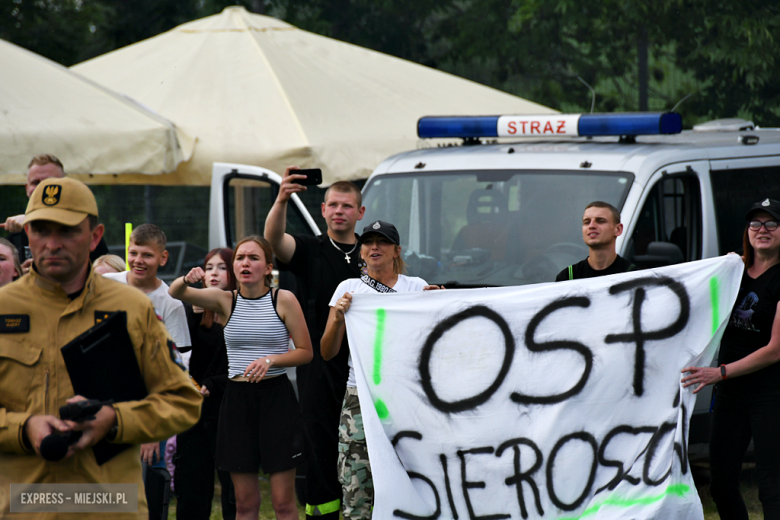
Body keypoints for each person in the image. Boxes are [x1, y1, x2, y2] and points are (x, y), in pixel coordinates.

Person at [0, 177, 201, 519]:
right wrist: (22, 428)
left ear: (95, 237)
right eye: (41, 230)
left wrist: (115, 420)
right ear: (28, 235)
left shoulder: (133, 308)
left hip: (109, 505)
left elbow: (182, 400)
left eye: (67, 231)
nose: (52, 243)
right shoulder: (4, 308)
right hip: (23, 505)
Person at [169, 236, 312, 520]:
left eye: (253, 258)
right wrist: (188, 277)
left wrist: (272, 359)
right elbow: (176, 291)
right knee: (244, 504)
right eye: (240, 258)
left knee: (284, 504)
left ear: (268, 267)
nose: (245, 263)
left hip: (276, 399)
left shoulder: (283, 299)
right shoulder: (224, 300)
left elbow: (306, 352)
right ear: (234, 267)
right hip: (236, 403)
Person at [321, 220, 441, 520]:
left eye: (383, 242)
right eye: (368, 241)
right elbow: (327, 352)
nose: (375, 247)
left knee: (414, 480)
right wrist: (337, 318)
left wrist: (438, 306)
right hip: (359, 397)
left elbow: (435, 346)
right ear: (361, 250)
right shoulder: (348, 288)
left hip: (407, 397)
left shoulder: (415, 286)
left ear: (397, 251)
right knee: (356, 483)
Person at [264, 166, 365, 519]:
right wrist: (281, 199)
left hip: (366, 371)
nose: (339, 211)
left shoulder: (373, 254)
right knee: (320, 451)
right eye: (333, 205)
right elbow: (275, 240)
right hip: (319, 371)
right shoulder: (310, 249)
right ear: (322, 210)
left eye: (347, 206)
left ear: (360, 213)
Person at [682, 198, 780, 520]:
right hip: (730, 395)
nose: (762, 230)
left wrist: (719, 372)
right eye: (755, 223)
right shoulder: (733, 272)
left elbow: (775, 349)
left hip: (769, 394)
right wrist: (722, 268)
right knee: (721, 484)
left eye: (771, 224)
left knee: (772, 488)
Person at [102, 223, 192, 473]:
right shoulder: (103, 284)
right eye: (133, 253)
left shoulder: (170, 302)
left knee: (147, 485)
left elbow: (179, 366)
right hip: (101, 403)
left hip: (146, 409)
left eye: (147, 255)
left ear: (163, 258)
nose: (138, 261)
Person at [174, 247, 237, 520]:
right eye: (209, 267)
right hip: (195, 409)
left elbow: (246, 361)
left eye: (221, 267)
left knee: (234, 489)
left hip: (230, 407)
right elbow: (180, 355)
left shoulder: (243, 308)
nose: (214, 273)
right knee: (192, 486)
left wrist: (216, 383)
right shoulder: (190, 310)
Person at [1, 154, 109, 270]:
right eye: (40, 231)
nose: (41, 187)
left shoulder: (84, 228)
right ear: (27, 188)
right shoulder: (13, 239)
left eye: (66, 231)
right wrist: (20, 275)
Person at [555, 201, 635, 281]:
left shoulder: (633, 275)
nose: (591, 226)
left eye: (600, 221)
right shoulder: (568, 277)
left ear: (618, 229)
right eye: (587, 222)